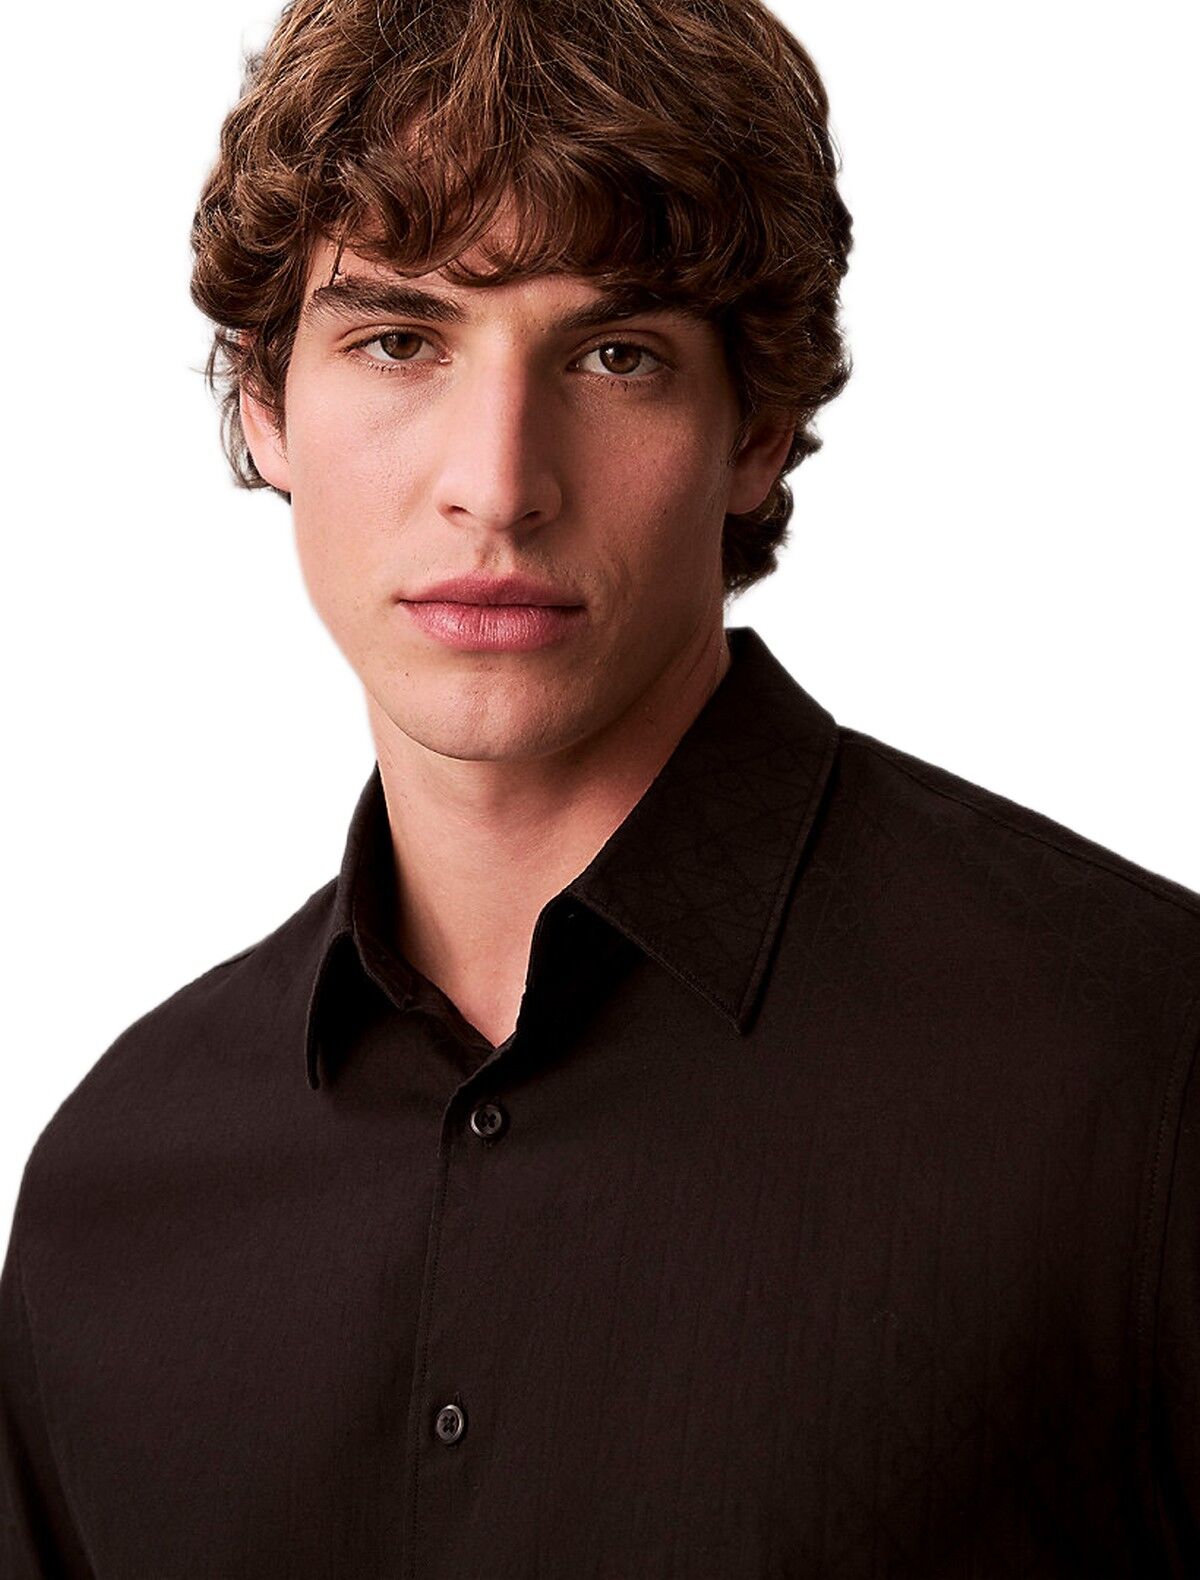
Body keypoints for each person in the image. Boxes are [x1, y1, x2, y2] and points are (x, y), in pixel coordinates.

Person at [1, 0, 1196, 1573]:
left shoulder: (1143, 1072)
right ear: (263, 403)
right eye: (399, 340)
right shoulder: (109, 1196)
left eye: (616, 354)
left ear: (757, 425)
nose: (498, 484)